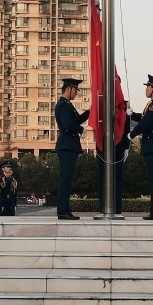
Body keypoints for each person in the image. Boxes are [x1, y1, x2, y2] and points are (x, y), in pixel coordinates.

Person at [127, 75, 153, 220]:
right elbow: (144, 118)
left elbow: (146, 122)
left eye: (148, 87)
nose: (146, 90)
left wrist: (132, 134)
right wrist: (132, 115)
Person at [55, 78, 90, 220]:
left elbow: (76, 120)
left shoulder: (67, 105)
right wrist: (81, 129)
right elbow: (68, 123)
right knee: (65, 179)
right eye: (75, 90)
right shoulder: (63, 105)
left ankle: (64, 210)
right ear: (68, 89)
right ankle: (63, 210)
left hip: (70, 145)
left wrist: (89, 112)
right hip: (67, 145)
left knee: (67, 179)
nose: (76, 93)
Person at [97, 99, 131, 218]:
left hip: (119, 145)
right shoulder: (101, 103)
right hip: (102, 146)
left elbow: (127, 128)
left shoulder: (123, 106)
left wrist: (126, 147)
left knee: (117, 179)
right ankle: (103, 209)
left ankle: (117, 210)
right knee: (102, 178)